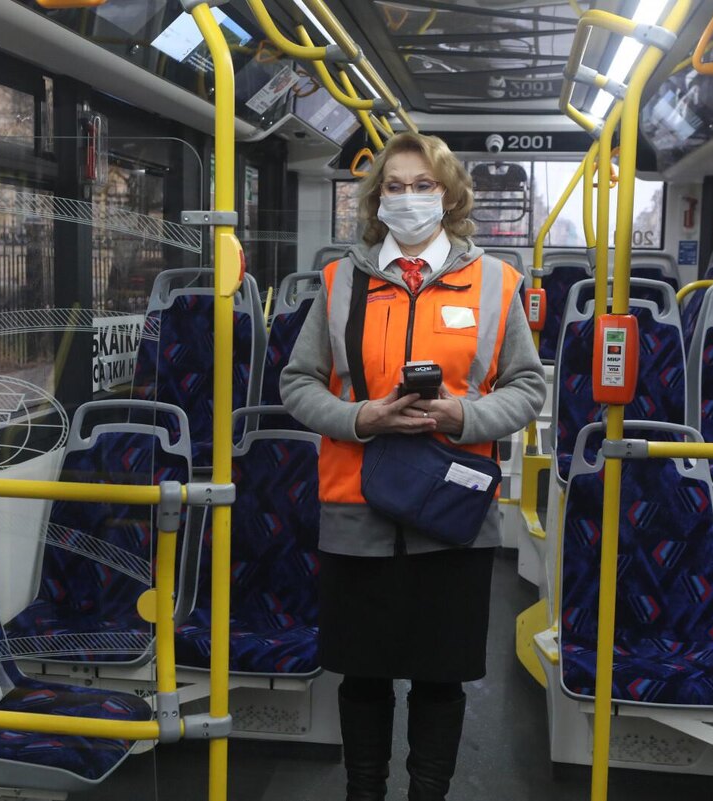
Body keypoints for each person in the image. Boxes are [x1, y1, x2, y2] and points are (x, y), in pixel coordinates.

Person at [280, 132, 548, 801]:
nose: (408, 198)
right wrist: (361, 417)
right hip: (355, 506)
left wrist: (460, 416)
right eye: (394, 186)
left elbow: (526, 387)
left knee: (440, 676)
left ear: (449, 195)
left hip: (451, 509)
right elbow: (297, 382)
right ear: (377, 200)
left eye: (423, 185)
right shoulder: (341, 282)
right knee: (362, 675)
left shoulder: (495, 283)